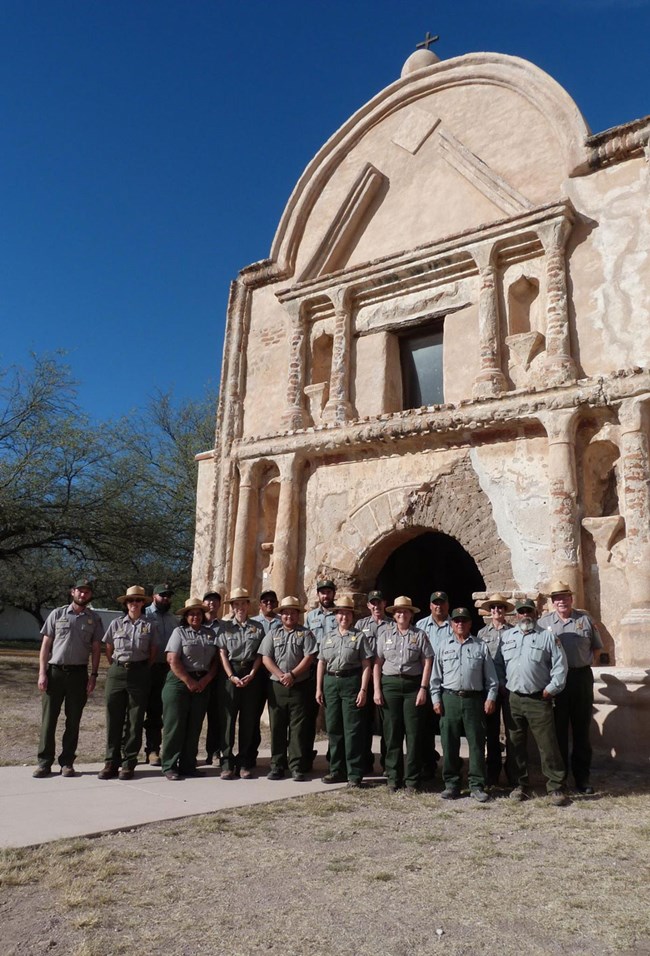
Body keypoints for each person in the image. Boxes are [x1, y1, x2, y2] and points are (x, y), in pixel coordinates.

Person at [500, 599, 570, 806]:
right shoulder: (507, 637)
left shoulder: (547, 637)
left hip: (539, 698)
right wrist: (503, 686)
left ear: (536, 613)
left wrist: (551, 689)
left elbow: (560, 666)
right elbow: (497, 664)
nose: (525, 615)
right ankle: (519, 784)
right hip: (513, 698)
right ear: (516, 615)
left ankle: (556, 786)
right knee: (515, 744)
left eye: (529, 611)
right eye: (521, 612)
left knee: (547, 743)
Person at [33, 578, 103, 778]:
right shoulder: (57, 614)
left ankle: (67, 763)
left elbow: (96, 649)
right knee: (49, 720)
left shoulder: (94, 619)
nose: (83, 595)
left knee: (73, 721)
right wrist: (42, 672)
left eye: (87, 592)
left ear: (90, 595)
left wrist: (93, 676)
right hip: (55, 673)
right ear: (72, 592)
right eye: (80, 591)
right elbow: (46, 646)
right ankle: (44, 762)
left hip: (78, 675)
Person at [539, 582, 604, 794]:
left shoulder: (585, 620)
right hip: (557, 681)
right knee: (557, 731)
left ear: (571, 599)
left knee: (581, 731)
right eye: (557, 598)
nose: (561, 601)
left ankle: (582, 778)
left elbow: (596, 648)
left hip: (581, 678)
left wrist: (583, 665)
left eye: (565, 597)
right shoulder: (544, 623)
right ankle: (560, 779)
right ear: (552, 602)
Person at [430, 607, 498, 802]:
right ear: (452, 624)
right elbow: (436, 677)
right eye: (457, 620)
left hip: (474, 700)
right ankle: (451, 784)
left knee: (477, 743)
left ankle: (477, 785)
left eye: (464, 621)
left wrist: (490, 697)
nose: (460, 624)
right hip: (449, 698)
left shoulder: (480, 646)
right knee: (449, 743)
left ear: (470, 624)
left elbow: (491, 679)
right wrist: (436, 699)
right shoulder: (443, 646)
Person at [373, 595, 433, 793]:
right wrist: (376, 689)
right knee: (392, 733)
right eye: (398, 611)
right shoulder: (385, 635)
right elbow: (377, 663)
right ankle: (393, 777)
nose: (401, 614)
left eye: (405, 611)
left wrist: (423, 688)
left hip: (412, 686)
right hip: (390, 685)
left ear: (411, 614)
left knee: (414, 734)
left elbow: (427, 662)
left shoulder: (420, 635)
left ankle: (412, 780)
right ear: (394, 614)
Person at [99, 586, 157, 780]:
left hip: (139, 672)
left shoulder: (149, 625)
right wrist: (118, 665)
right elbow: (108, 647)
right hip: (117, 671)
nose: (134, 604)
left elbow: (152, 651)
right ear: (126, 604)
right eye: (131, 600)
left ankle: (128, 763)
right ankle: (110, 761)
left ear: (143, 603)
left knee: (135, 718)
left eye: (138, 600)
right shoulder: (116, 624)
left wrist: (141, 667)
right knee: (113, 717)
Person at [316, 594, 372, 788]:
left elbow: (366, 665)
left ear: (352, 616)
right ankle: (336, 770)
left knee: (352, 729)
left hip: (351, 681)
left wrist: (363, 689)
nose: (344, 618)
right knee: (334, 728)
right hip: (331, 681)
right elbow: (321, 663)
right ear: (335, 615)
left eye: (347, 614)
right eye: (340, 614)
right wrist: (319, 688)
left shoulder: (359, 636)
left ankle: (354, 773)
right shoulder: (328, 637)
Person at [261, 595, 318, 782]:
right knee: (277, 726)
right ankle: (277, 765)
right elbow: (266, 658)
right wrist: (280, 675)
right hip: (277, 686)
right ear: (281, 614)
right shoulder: (273, 634)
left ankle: (296, 766)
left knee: (298, 728)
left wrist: (292, 675)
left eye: (293, 613)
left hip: (299, 685)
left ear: (297, 615)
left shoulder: (306, 634)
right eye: (285, 613)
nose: (289, 616)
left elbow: (309, 657)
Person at [161, 598, 219, 780]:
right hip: (179, 682)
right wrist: (189, 681)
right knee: (175, 725)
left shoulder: (209, 634)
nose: (195, 617)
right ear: (186, 616)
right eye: (192, 613)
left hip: (202, 681)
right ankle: (170, 765)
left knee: (194, 726)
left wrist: (207, 679)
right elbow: (172, 659)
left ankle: (188, 765)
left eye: (198, 613)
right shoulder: (179, 633)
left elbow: (215, 660)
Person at [218, 588, 265, 780]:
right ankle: (227, 762)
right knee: (228, 720)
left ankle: (244, 761)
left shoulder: (258, 628)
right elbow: (222, 653)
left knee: (248, 720)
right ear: (232, 607)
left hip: (250, 674)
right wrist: (230, 676)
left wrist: (253, 674)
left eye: (243, 604)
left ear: (248, 605)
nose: (239, 608)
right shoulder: (225, 628)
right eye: (236, 604)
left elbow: (261, 654)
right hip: (231, 673)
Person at [477, 593, 516, 787]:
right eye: (493, 608)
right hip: (490, 689)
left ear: (505, 610)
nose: (497, 611)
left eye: (500, 607)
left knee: (513, 731)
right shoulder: (482, 634)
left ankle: (513, 773)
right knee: (491, 733)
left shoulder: (514, 632)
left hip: (509, 688)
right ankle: (492, 772)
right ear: (489, 611)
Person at [356, 590, 390, 773]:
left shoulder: (392, 624)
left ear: (384, 603)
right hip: (366, 679)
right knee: (364, 721)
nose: (376, 606)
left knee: (387, 723)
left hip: (387, 678)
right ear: (368, 605)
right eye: (372, 603)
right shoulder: (361, 625)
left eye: (379, 602)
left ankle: (387, 762)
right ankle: (365, 761)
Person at [142, 583, 177, 766]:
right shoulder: (144, 614)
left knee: (156, 711)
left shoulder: (173, 620)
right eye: (162, 595)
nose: (166, 598)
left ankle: (153, 750)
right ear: (154, 596)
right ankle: (127, 752)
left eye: (168, 596)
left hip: (166, 669)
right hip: (145, 667)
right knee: (135, 711)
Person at [202, 590, 225, 766]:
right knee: (193, 717)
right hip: (198, 675)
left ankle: (214, 752)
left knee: (216, 716)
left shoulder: (224, 626)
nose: (212, 604)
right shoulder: (195, 623)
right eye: (208, 601)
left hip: (218, 676)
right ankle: (188, 754)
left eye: (215, 601)